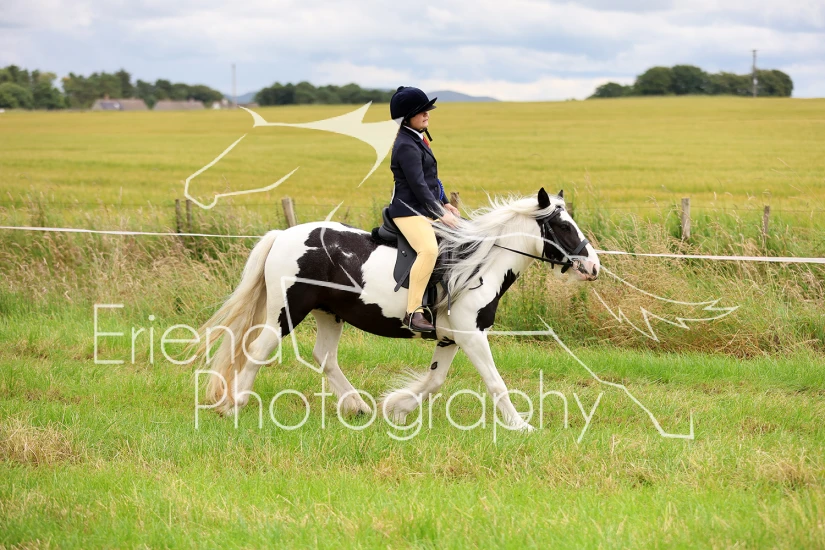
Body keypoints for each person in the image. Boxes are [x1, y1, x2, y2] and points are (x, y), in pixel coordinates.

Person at [388, 86, 461, 332]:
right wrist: (441, 214)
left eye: (427, 110)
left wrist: (445, 201)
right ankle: (413, 312)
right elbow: (418, 186)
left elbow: (431, 178)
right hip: (408, 211)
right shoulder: (406, 145)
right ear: (406, 117)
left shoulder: (417, 138)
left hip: (423, 208)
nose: (427, 114)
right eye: (421, 111)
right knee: (428, 250)